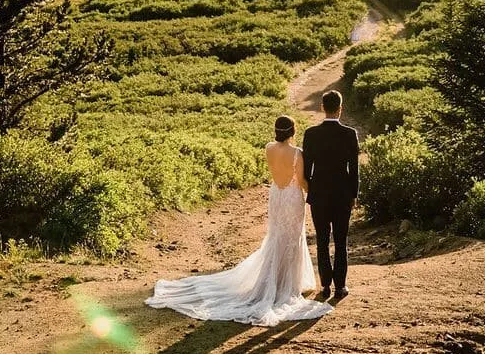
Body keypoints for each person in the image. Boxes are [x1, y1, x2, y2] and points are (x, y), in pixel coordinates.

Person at [144, 114, 331, 326]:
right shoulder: (298, 153)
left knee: (277, 235)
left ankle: (277, 280)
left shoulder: (269, 148)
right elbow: (302, 182)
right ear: (293, 132)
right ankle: (287, 284)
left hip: (277, 195)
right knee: (291, 237)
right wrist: (316, 189)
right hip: (291, 197)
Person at [301, 89, 360, 299]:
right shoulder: (350, 134)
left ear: (322, 107)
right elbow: (354, 169)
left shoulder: (311, 134)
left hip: (319, 194)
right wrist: (354, 194)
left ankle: (325, 286)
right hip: (343, 193)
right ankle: (340, 287)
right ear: (341, 108)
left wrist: (309, 188)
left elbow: (306, 168)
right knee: (341, 241)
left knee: (323, 241)